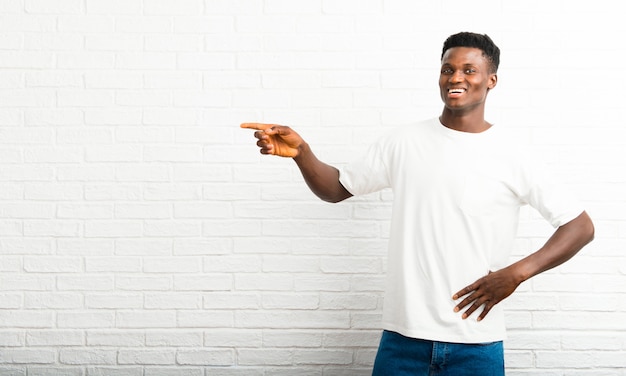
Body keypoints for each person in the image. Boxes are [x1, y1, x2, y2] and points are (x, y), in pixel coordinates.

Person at [241, 32, 594, 375]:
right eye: (447, 69)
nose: (456, 77)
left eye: (469, 70)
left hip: (476, 345)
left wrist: (515, 274)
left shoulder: (514, 154)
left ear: (491, 80)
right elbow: (336, 188)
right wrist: (302, 152)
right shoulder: (403, 142)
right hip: (402, 342)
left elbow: (579, 227)